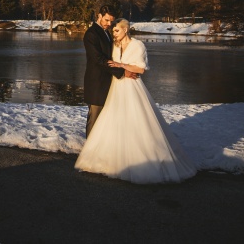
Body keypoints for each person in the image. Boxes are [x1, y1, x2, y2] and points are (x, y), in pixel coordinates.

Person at [75, 18, 197, 184]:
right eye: (113, 31)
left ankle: (140, 159)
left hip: (132, 87)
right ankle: (111, 159)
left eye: (116, 30)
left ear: (125, 29)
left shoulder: (137, 45)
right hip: (115, 87)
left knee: (136, 121)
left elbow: (140, 69)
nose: (114, 33)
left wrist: (120, 65)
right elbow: (105, 63)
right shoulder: (115, 45)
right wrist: (118, 68)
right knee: (114, 121)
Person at [82, 5, 133, 137]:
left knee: (104, 120)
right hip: (96, 83)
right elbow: (98, 59)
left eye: (111, 21)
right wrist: (122, 72)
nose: (109, 24)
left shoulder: (106, 33)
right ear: (99, 16)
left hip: (107, 82)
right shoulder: (91, 34)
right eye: (106, 20)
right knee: (94, 119)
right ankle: (89, 152)